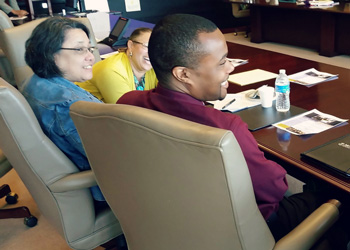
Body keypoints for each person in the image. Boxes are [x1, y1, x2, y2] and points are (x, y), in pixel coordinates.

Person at [117, 14, 348, 249]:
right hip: (245, 230)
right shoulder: (225, 130)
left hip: (166, 218)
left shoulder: (126, 103)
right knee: (337, 192)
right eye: (222, 62)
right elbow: (276, 188)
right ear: (183, 74)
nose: (231, 68)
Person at [20, 17, 105, 205]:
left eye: (90, 48)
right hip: (107, 189)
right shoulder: (70, 105)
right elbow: (112, 158)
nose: (91, 56)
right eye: (79, 49)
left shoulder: (34, 82)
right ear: (50, 54)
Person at [76, 27, 157, 103]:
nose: (152, 52)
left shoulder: (153, 69)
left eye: (156, 48)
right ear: (131, 45)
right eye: (147, 46)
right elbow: (127, 112)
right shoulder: (112, 70)